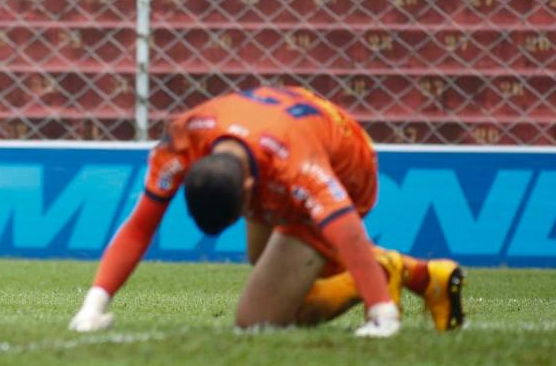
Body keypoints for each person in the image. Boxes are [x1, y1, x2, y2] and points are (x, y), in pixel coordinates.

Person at [69, 86, 465, 336]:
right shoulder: (180, 141)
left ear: (248, 192)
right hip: (272, 138)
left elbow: (345, 228)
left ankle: (384, 272)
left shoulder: (297, 168)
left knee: (257, 321)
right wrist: (92, 308)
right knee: (266, 264)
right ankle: (417, 275)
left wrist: (383, 316)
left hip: (346, 164)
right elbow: (140, 226)